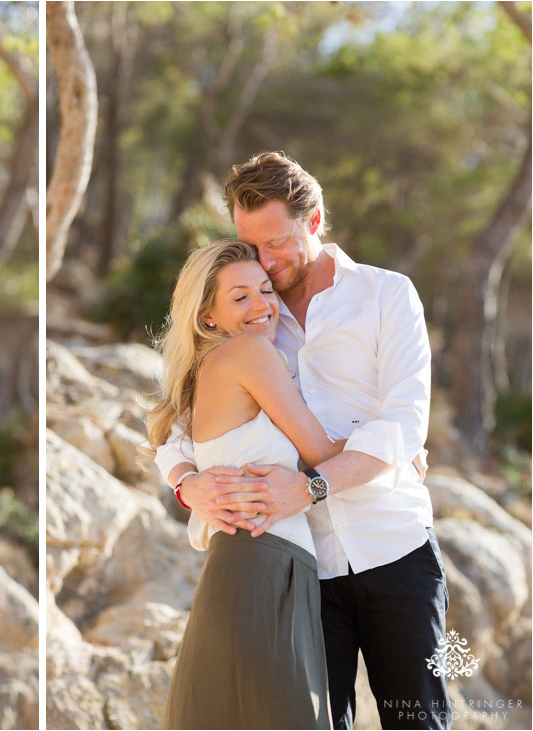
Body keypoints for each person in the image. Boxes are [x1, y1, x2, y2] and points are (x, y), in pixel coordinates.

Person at [155, 151, 449, 730]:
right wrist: (191, 487)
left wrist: (312, 486)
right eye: (249, 244)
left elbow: (404, 422)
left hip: (395, 551)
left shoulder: (389, 296)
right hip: (302, 570)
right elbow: (177, 436)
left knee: (420, 720)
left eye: (276, 243)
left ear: (314, 221)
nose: (262, 260)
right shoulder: (248, 315)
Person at [144, 238, 339, 729]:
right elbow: (321, 453)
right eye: (240, 297)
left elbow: (173, 445)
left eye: (265, 289)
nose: (261, 305)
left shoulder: (213, 368)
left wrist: (184, 481)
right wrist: (397, 450)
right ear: (207, 316)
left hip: (252, 561)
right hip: (263, 560)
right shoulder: (250, 353)